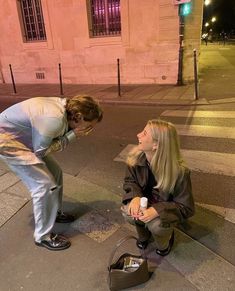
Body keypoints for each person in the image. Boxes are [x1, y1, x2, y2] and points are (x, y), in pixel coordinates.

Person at [0, 95, 103, 251]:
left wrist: (71, 133)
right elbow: (41, 151)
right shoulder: (54, 119)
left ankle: (54, 213)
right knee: (43, 185)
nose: (89, 130)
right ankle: (42, 236)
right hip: (8, 142)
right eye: (89, 126)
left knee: (55, 173)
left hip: (26, 139)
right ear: (79, 117)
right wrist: (72, 135)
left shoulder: (65, 108)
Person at [121, 119, 194, 256]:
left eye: (144, 133)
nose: (138, 135)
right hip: (144, 202)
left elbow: (186, 208)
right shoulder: (135, 158)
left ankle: (164, 244)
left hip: (163, 207)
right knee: (130, 212)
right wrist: (135, 197)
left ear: (156, 144)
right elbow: (130, 181)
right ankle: (144, 237)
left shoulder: (179, 172)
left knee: (157, 226)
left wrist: (157, 210)